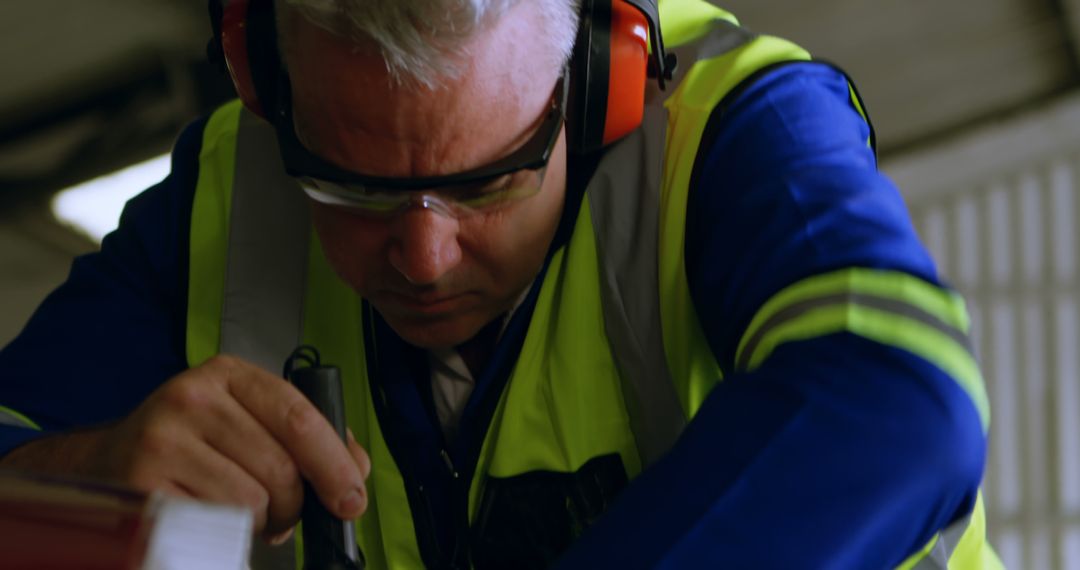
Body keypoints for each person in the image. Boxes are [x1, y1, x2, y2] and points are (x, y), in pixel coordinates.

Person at [0, 0, 1000, 567]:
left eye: (488, 179)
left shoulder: (735, 134)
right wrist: (81, 474)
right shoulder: (223, 192)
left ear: (598, 83)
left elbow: (899, 394)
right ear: (265, 89)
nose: (424, 258)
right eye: (349, 186)